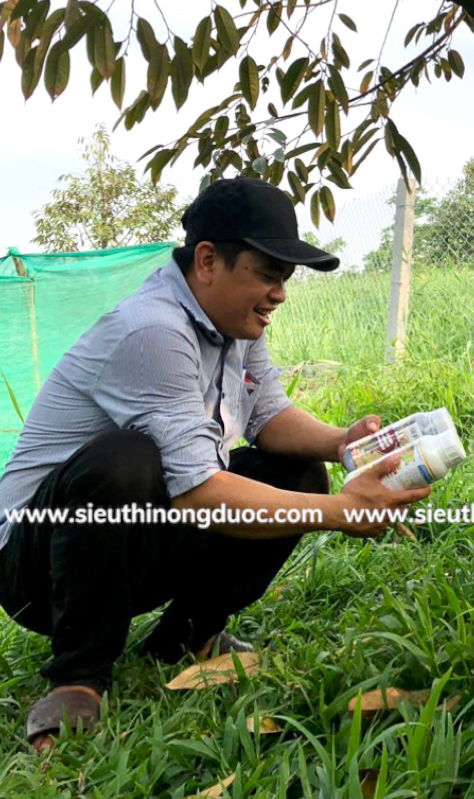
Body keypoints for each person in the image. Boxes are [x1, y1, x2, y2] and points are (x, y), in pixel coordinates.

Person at [0, 178, 431, 753]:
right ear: (208, 261)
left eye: (285, 279)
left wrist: (341, 443)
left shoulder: (235, 326)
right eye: (268, 273)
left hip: (132, 543)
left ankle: (185, 641)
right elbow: (199, 492)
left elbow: (269, 414)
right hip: (37, 563)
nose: (279, 293)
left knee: (296, 469)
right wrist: (343, 511)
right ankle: (78, 678)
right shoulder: (153, 330)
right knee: (124, 460)